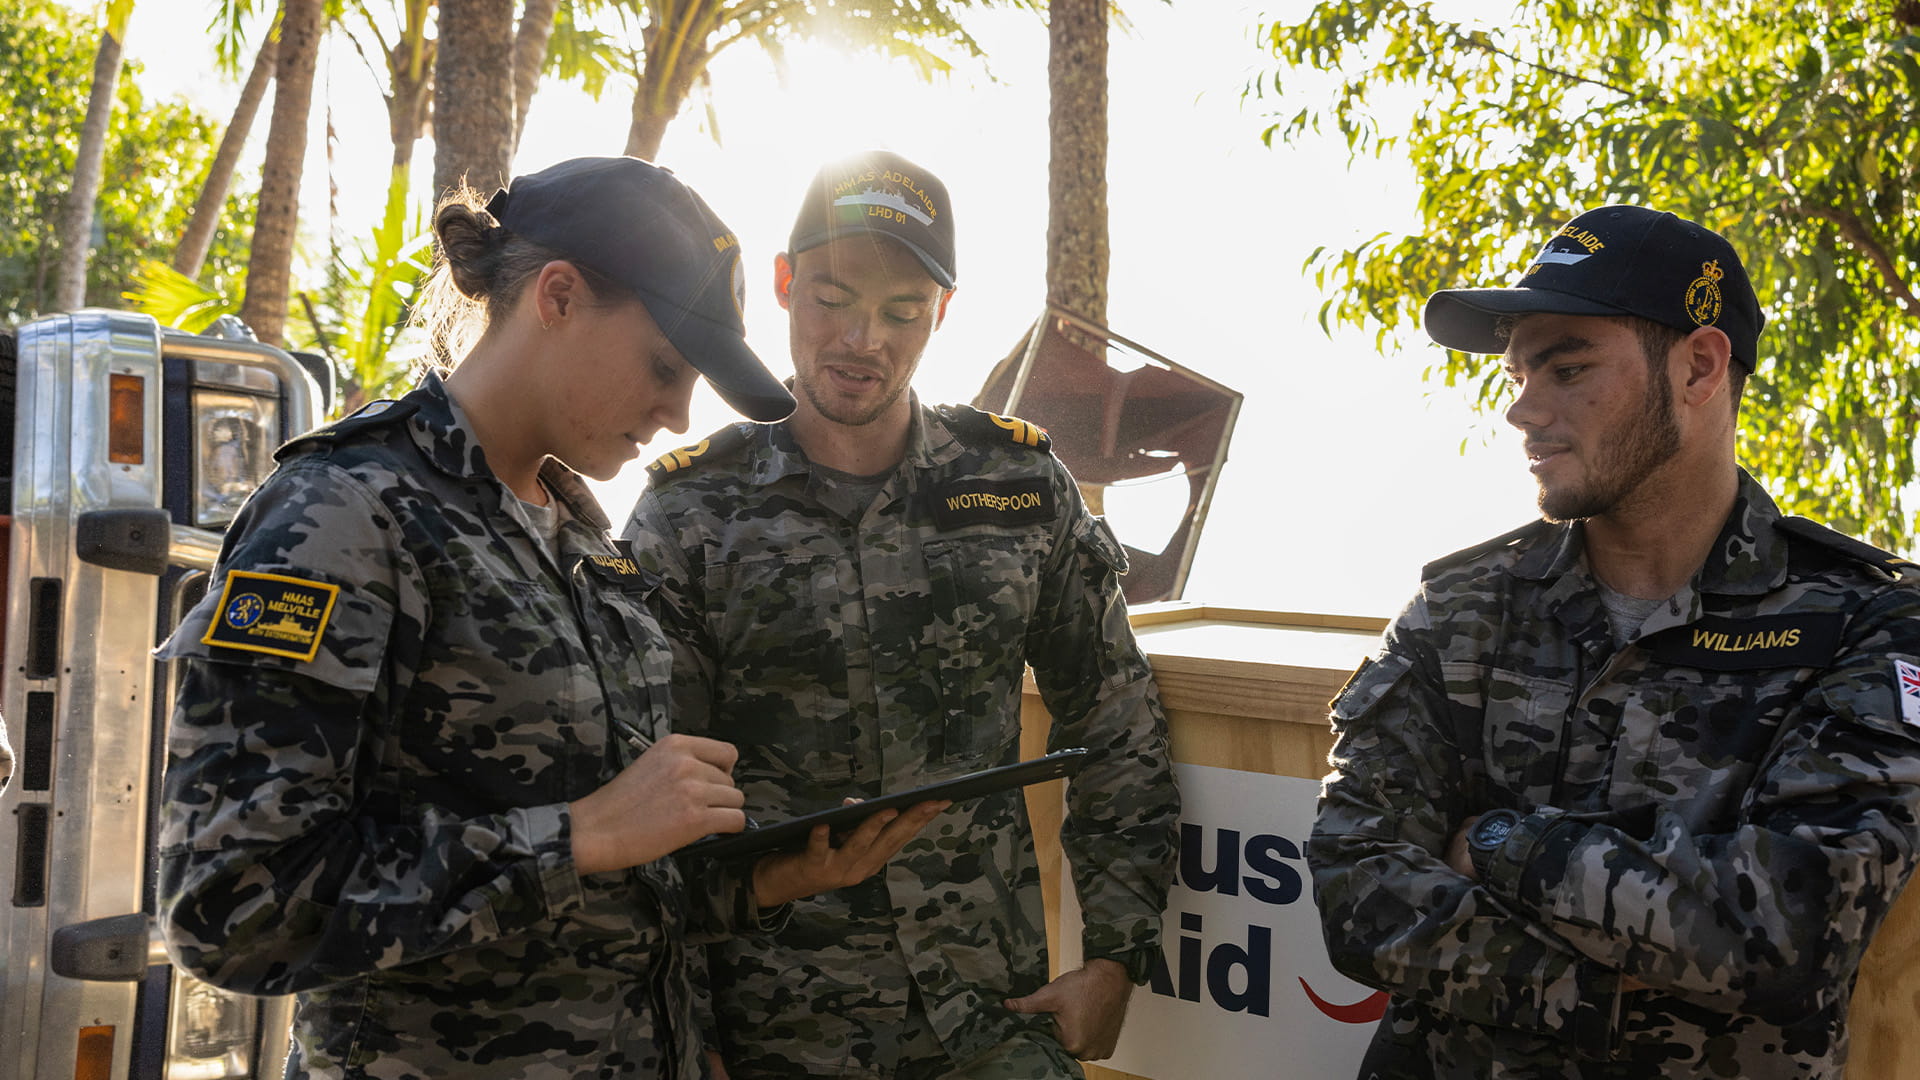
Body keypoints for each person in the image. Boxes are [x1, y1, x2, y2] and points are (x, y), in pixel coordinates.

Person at [155, 156, 943, 1080]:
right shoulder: (346, 513)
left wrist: (775, 875)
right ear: (559, 297)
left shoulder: (583, 539)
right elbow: (231, 910)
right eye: (664, 367)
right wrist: (577, 835)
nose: (677, 413)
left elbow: (608, 897)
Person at [1308, 204, 1920, 1077]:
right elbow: (1355, 887)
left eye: (1567, 369)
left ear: (1699, 367)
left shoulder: (1868, 619)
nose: (1522, 409)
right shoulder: (1462, 607)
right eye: (1519, 374)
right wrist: (1625, 980)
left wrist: (1496, 845)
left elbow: (1788, 933)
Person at [624, 150, 1180, 1079]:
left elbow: (1113, 716)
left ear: (942, 313)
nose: (862, 340)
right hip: (777, 1030)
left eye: (901, 311)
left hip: (992, 1019)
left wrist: (1117, 956)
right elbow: (651, 791)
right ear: (784, 285)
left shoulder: (1017, 485)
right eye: (833, 299)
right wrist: (692, 1035)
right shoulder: (690, 513)